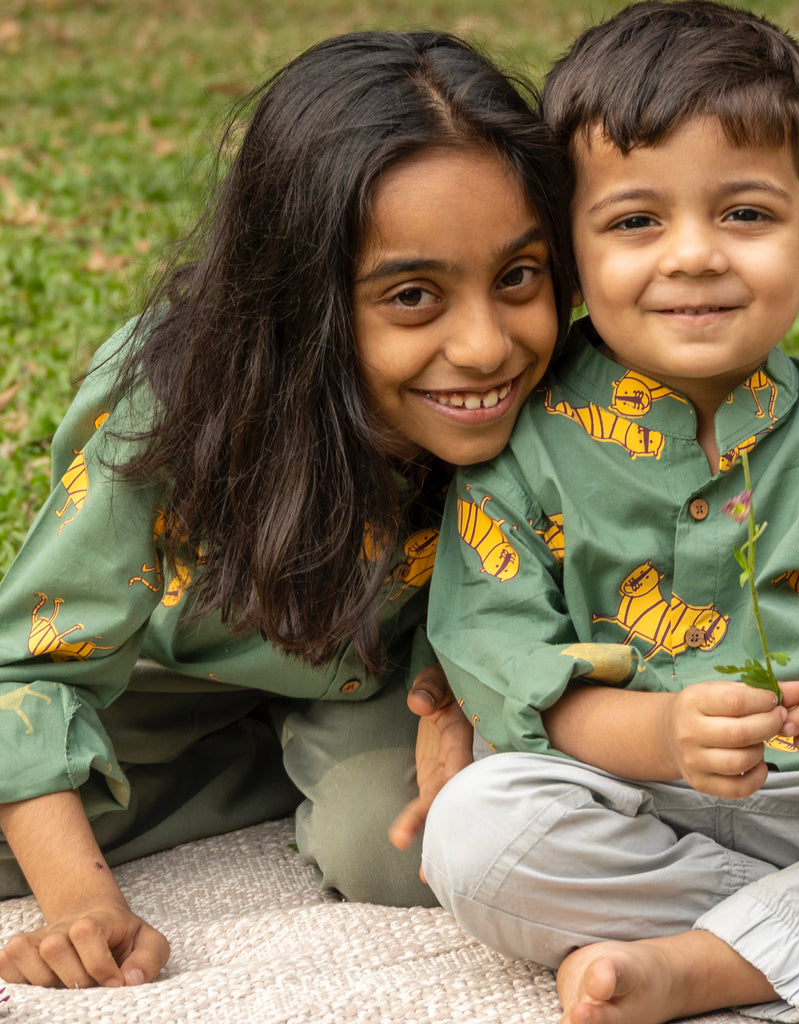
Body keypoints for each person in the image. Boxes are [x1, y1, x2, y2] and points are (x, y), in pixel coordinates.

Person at [421, 4, 799, 1024]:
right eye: (634, 221)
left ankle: (701, 966)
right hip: (615, 799)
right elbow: (498, 658)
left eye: (743, 214)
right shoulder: (524, 443)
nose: (693, 255)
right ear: (571, 251)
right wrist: (661, 732)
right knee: (475, 832)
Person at [0, 30, 573, 991]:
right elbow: (33, 668)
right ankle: (242, 761)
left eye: (518, 277)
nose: (484, 348)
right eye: (413, 295)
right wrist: (87, 908)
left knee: (408, 853)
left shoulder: (573, 402)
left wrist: (461, 693)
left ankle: (288, 769)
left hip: (392, 673)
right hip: (168, 672)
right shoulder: (173, 401)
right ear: (299, 300)